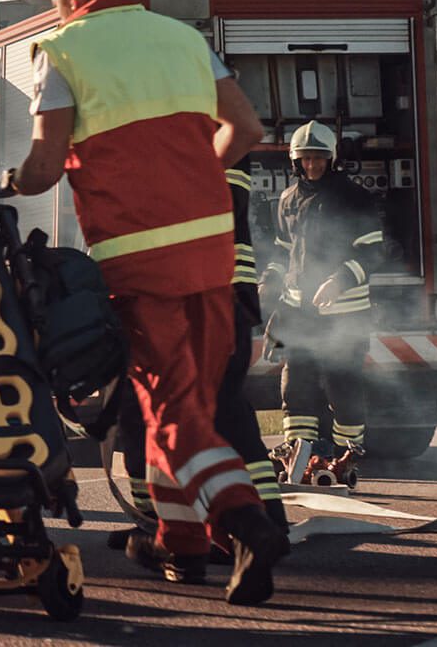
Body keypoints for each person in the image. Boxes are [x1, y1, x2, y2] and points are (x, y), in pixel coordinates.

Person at [0, 0, 286, 606]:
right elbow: (246, 127)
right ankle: (178, 547)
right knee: (187, 409)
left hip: (140, 256)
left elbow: (42, 168)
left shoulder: (63, 52)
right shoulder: (182, 39)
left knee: (170, 411)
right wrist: (199, 180)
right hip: (213, 246)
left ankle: (243, 522)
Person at [111, 166, 289, 579]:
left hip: (181, 292)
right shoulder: (215, 124)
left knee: (177, 417)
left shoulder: (178, 136)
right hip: (219, 291)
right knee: (192, 417)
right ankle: (187, 543)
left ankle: (248, 526)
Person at [263, 120, 384, 479]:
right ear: (294, 161)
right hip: (300, 314)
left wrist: (339, 280)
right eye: (305, 159)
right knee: (295, 382)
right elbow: (282, 252)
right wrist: (269, 282)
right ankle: (299, 453)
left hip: (345, 315)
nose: (312, 166)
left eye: (318, 158)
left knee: (342, 383)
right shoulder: (287, 200)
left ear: (331, 159)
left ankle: (346, 456)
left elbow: (373, 253)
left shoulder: (355, 198)